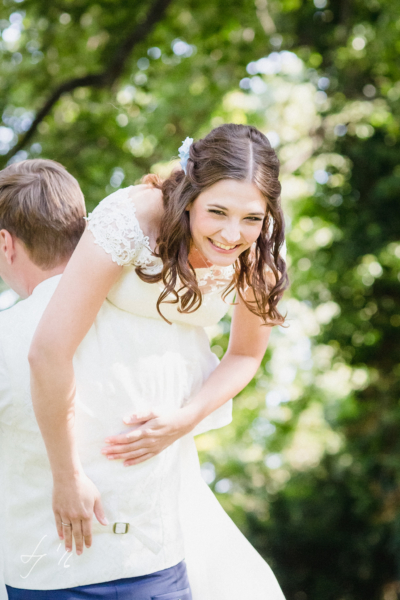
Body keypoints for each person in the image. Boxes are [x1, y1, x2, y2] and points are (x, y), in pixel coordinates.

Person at [29, 123, 288, 599]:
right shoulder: (132, 218)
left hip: (164, 445)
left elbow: (246, 353)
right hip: (75, 435)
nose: (233, 235)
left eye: (252, 217)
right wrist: (66, 475)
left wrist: (184, 418)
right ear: (189, 195)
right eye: (217, 212)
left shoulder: (259, 254)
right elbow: (49, 349)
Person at [0, 159, 193, 599]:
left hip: (47, 575)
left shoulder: (5, 336)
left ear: (5, 243)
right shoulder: (156, 319)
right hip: (154, 568)